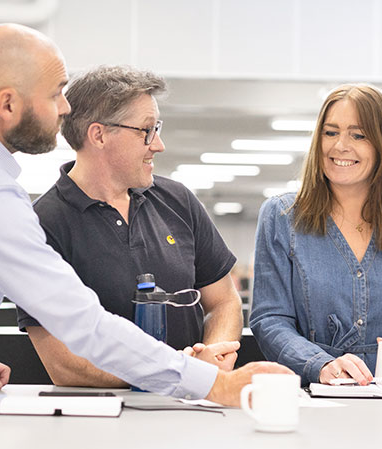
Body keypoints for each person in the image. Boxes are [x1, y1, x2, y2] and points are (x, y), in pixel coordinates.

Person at [0, 23, 289, 449]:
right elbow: (84, 325)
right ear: (7, 104)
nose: (65, 108)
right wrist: (214, 385)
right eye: (55, 93)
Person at [15, 66, 242, 387]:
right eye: (146, 130)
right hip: (100, 420)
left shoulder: (177, 200)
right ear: (99, 135)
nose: (158, 144)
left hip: (190, 407)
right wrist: (178, 373)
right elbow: (64, 365)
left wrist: (211, 363)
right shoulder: (41, 225)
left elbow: (223, 302)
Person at [250, 84, 382, 387]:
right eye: (330, 133)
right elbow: (270, 319)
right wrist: (321, 364)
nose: (340, 145)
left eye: (358, 135)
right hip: (310, 396)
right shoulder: (281, 217)